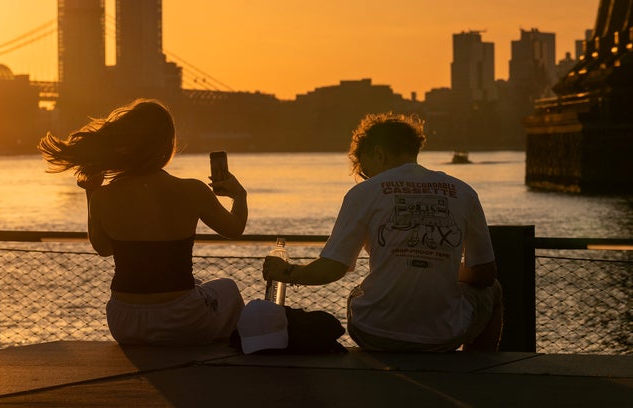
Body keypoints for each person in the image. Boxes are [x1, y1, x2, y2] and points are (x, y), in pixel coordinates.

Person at [263, 112, 502, 352]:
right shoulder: (464, 192)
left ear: (379, 153)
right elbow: (485, 274)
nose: (366, 177)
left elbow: (331, 269)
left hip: (374, 333)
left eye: (366, 170)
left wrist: (286, 272)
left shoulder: (364, 193)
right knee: (495, 290)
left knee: (358, 294)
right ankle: (477, 374)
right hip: (443, 336)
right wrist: (439, 266)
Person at [38, 98, 249, 346]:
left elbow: (103, 248)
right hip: (181, 319)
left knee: (199, 286)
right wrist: (239, 195)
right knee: (228, 289)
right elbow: (234, 229)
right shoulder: (192, 190)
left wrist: (92, 191)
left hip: (124, 321)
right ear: (165, 145)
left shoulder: (104, 196)